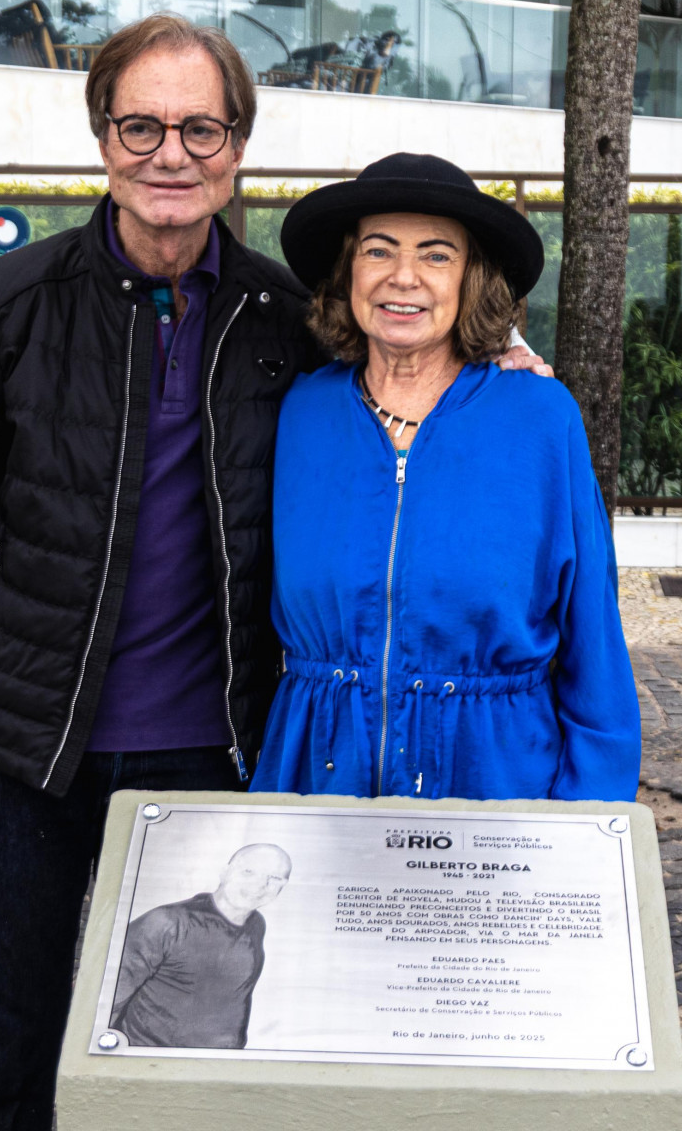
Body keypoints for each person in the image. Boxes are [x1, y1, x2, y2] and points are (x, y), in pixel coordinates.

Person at [0, 13, 544, 1131]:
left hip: (217, 758)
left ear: (238, 142)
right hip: (22, 759)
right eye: (143, 124)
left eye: (201, 126)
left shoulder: (285, 320)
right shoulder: (5, 307)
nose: (171, 152)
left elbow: (406, 371)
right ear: (103, 135)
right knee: (5, 1055)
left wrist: (502, 368)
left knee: (195, 1076)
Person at [250, 153, 640, 802]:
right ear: (349, 271)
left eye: (436, 255)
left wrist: (588, 821)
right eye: (378, 251)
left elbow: (593, 642)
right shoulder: (302, 412)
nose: (404, 277)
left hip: (496, 781)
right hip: (316, 784)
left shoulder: (541, 420)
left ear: (472, 280)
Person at [109, 843, 292, 1049]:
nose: (260, 885)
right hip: (153, 1060)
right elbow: (106, 998)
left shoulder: (256, 924)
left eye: (274, 878)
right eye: (248, 872)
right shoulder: (166, 922)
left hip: (216, 1066)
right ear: (224, 872)